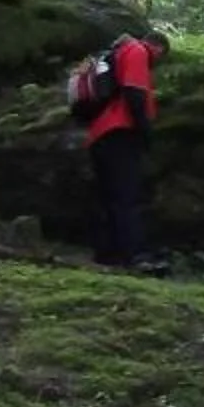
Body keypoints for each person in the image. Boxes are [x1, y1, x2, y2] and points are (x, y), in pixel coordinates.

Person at [83, 26, 170, 271]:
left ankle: (108, 252)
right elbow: (134, 94)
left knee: (109, 195)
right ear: (158, 48)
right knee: (127, 194)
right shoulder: (137, 51)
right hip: (120, 132)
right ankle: (137, 255)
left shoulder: (117, 53)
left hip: (101, 133)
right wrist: (145, 132)